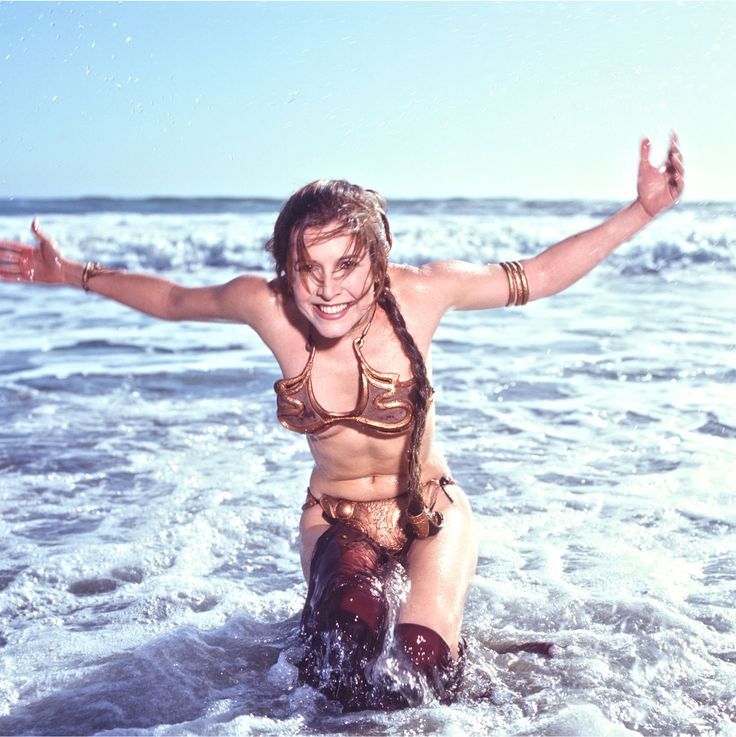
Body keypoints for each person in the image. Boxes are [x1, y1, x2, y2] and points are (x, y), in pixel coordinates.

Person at [0, 135, 683, 710]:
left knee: (419, 662)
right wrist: (73, 273)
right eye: (309, 268)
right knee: (342, 649)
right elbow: (177, 298)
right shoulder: (267, 308)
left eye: (347, 264)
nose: (328, 288)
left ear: (377, 261)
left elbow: (535, 275)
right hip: (337, 515)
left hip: (431, 511)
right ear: (287, 271)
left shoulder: (422, 294)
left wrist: (641, 212)